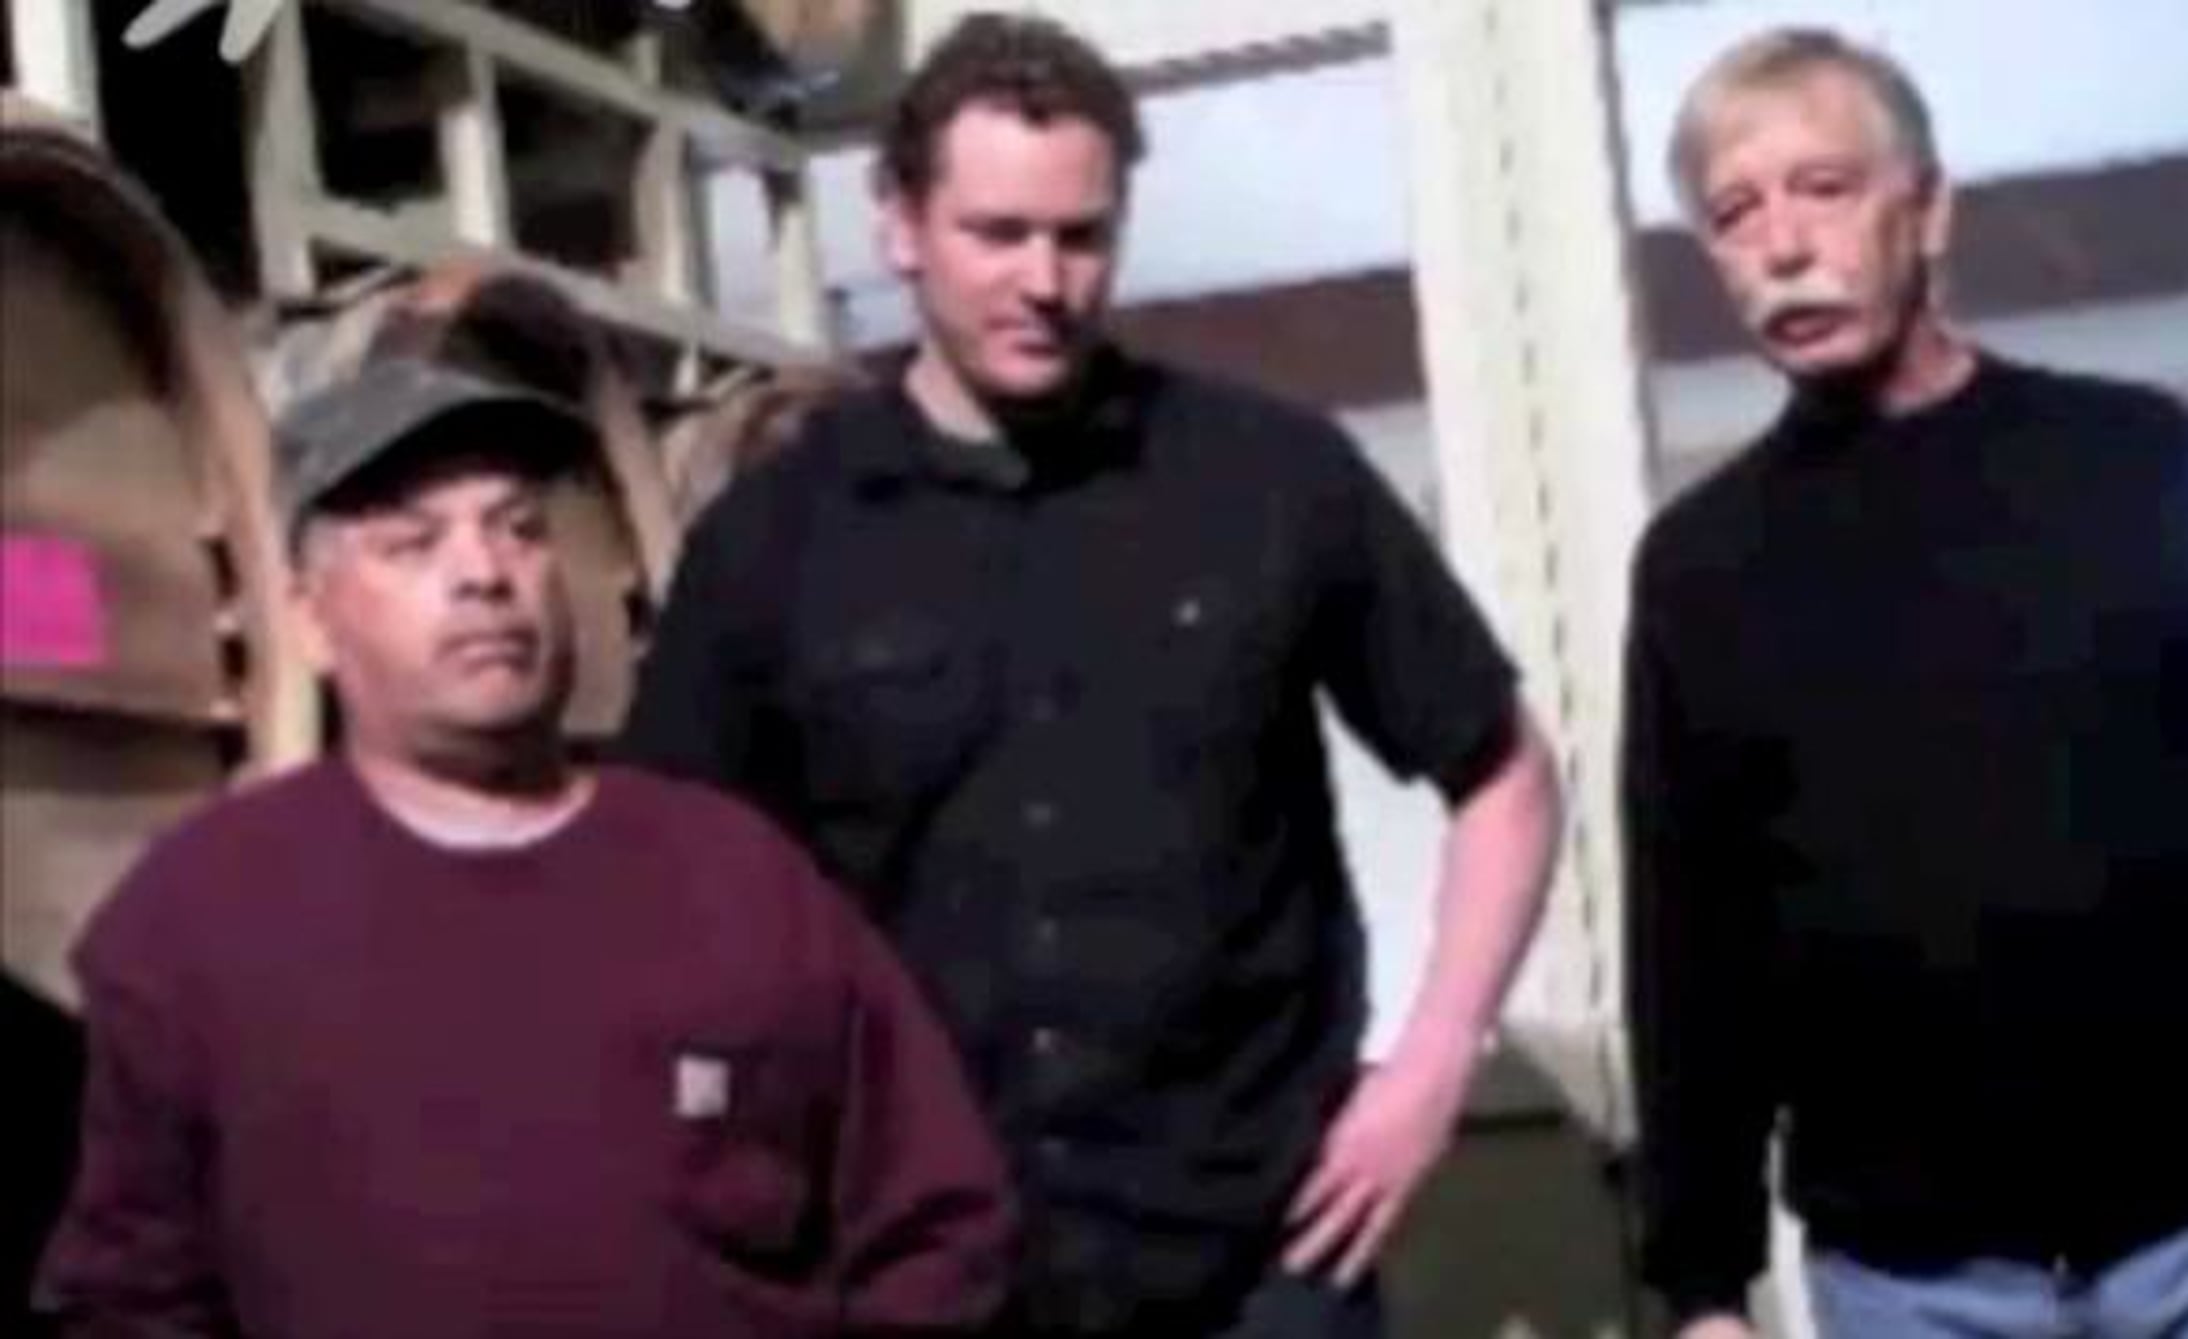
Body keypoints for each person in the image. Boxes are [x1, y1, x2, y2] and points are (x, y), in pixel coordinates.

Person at [621, 13, 1563, 1338]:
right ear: (899, 223)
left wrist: (1429, 1072)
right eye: (998, 234)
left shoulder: (1270, 479)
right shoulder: (775, 539)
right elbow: (666, 890)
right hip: (929, 1269)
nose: (1045, 281)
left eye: (1081, 236)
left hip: (1259, 1258)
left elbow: (1507, 777)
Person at [1621, 26, 2188, 1339]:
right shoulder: (1700, 569)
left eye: (1824, 187)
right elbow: (1691, 941)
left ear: (1928, 210)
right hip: (1908, 1279)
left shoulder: (2134, 459)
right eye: (1735, 212)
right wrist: (1703, 1287)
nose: (1782, 243)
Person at [35, 358, 1015, 1337]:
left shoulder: (734, 875)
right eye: (414, 543)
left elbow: (937, 1220)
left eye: (520, 528)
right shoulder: (199, 915)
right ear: (309, 621)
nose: (485, 573)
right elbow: (131, 1297)